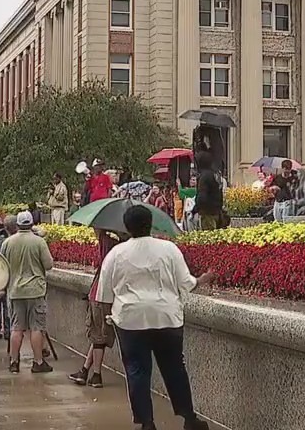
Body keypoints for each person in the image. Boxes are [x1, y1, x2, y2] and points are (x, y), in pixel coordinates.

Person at [97, 206, 216, 430]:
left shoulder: (115, 254)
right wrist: (203, 278)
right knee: (174, 368)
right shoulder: (169, 249)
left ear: (126, 227)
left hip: (130, 320)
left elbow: (104, 295)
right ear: (150, 223)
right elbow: (187, 284)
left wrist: (107, 320)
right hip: (167, 318)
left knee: (137, 370)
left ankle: (146, 423)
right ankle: (189, 418)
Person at [1, 211, 54, 374]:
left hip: (15, 291)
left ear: (17, 225)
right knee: (36, 328)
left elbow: (2, 265)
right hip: (35, 291)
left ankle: (14, 361)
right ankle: (38, 361)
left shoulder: (7, 243)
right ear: (32, 224)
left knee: (17, 328)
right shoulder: (38, 242)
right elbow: (48, 265)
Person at [69, 229, 121, 388]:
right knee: (99, 335)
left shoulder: (111, 246)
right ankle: (85, 371)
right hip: (115, 296)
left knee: (98, 336)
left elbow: (98, 229)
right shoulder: (130, 250)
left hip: (100, 295)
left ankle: (96, 375)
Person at [192, 152, 223, 231]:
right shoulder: (214, 174)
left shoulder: (204, 176)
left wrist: (196, 209)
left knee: (208, 235)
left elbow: (202, 196)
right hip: (216, 211)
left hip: (207, 212)